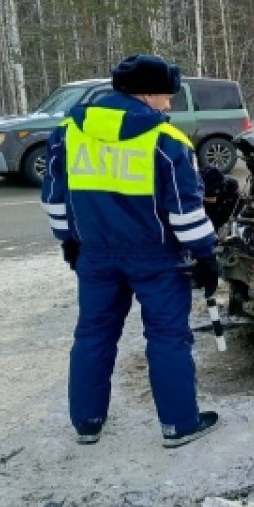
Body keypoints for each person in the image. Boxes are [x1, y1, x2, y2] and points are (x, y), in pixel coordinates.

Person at [40, 54, 221, 448]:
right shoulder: (165, 140)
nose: (169, 104)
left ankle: (87, 423)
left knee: (93, 335)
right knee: (168, 338)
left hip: (95, 254)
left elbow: (54, 196)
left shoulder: (70, 130)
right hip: (156, 258)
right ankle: (179, 425)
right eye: (166, 96)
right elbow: (184, 209)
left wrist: (68, 242)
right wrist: (206, 256)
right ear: (146, 93)